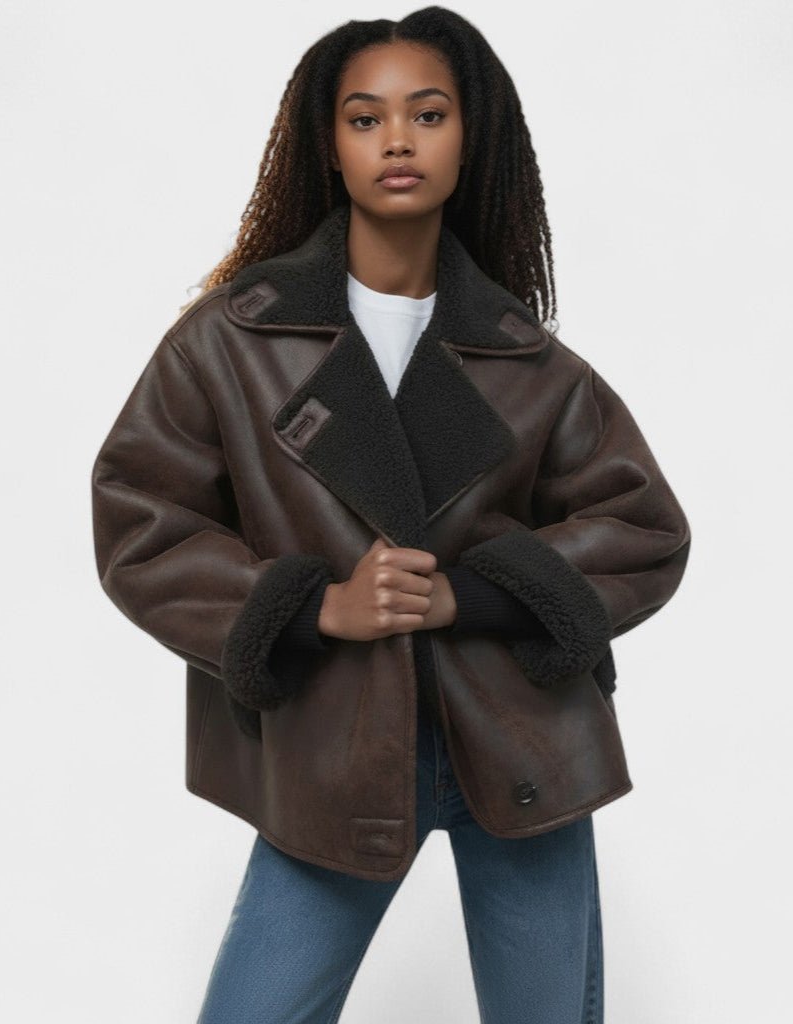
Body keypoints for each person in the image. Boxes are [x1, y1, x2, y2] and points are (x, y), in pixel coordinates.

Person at [90, 7, 691, 1022]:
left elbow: (643, 529)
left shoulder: (531, 360)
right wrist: (315, 606)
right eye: (366, 118)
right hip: (332, 745)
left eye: (429, 114)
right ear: (329, 146)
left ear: (469, 139)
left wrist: (469, 594)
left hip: (523, 743)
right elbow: (141, 517)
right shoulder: (229, 342)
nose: (399, 140)